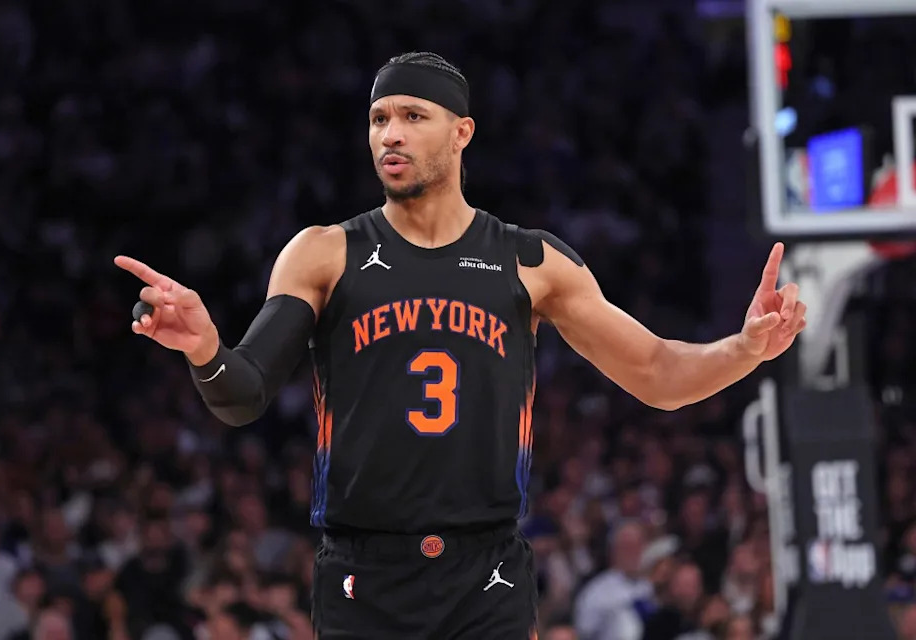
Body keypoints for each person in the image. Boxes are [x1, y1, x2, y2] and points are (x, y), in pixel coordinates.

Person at [114, 51, 808, 639]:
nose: (392, 133)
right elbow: (244, 392)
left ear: (461, 132)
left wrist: (743, 350)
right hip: (363, 573)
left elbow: (656, 371)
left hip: (488, 574)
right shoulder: (324, 253)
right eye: (380, 118)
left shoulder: (531, 261)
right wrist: (206, 349)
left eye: (414, 116)